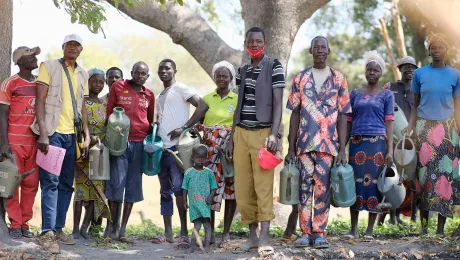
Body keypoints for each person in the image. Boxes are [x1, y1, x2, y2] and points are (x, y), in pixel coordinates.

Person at [224, 27, 285, 257]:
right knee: (243, 187)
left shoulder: (274, 66)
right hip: (241, 133)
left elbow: (278, 103)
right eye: (251, 41)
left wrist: (274, 133)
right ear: (245, 43)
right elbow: (239, 105)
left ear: (265, 43)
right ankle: (251, 236)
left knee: (263, 186)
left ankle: (265, 236)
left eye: (259, 41)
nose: (255, 44)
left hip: (263, 135)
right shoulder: (242, 70)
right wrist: (231, 138)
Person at [286, 36, 351, 248]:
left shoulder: (339, 79)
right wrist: (290, 147)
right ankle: (305, 233)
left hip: (328, 146)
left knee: (323, 189)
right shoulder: (300, 79)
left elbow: (343, 115)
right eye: (316, 47)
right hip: (304, 145)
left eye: (323, 47)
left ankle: (320, 233)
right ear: (311, 51)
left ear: (329, 50)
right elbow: (294, 113)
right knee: (304, 188)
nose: (320, 50)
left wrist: (342, 148)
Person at [32, 34, 91, 253]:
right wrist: (44, 133)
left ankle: (58, 229)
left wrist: (86, 134)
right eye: (70, 45)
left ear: (81, 49)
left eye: (77, 45)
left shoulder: (82, 74)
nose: (73, 48)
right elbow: (39, 100)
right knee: (50, 183)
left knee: (67, 184)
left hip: (72, 137)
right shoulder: (48, 66)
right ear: (63, 47)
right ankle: (46, 233)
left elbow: (82, 106)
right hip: (53, 133)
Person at [404, 34, 460, 235]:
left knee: (445, 178)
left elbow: (457, 105)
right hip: (424, 129)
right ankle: (424, 228)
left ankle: (440, 229)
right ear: (429, 51)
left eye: (440, 47)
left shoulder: (455, 74)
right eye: (433, 47)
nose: (436, 50)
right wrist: (411, 124)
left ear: (446, 50)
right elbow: (415, 104)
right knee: (424, 177)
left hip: (447, 129)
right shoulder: (420, 74)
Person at [151, 59, 208, 249]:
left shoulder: (181, 88)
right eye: (161, 69)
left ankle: (183, 233)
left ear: (175, 70)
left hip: (178, 149)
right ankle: (168, 233)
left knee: (179, 191)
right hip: (162, 149)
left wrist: (185, 127)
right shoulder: (160, 95)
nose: (164, 71)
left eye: (167, 68)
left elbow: (202, 106)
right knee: (164, 191)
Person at [346, 50, 394, 239]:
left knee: (375, 185)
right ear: (365, 72)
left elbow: (389, 122)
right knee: (355, 184)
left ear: (380, 73)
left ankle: (369, 230)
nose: (372, 72)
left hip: (377, 144)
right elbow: (348, 120)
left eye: (376, 70)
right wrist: (342, 147)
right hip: (356, 143)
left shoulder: (387, 95)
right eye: (369, 69)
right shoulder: (355, 93)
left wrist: (390, 149)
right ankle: (353, 228)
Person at [105, 61, 155, 243]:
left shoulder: (149, 94)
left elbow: (150, 121)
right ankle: (111, 227)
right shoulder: (118, 87)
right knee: (116, 184)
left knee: (133, 186)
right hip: (119, 143)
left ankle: (123, 230)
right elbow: (109, 113)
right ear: (131, 72)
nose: (140, 76)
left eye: (144, 74)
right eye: (137, 72)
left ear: (147, 77)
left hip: (139, 144)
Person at [0, 46, 41, 239]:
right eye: (29, 56)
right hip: (15, 141)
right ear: (19, 61)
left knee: (31, 184)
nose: (34, 58)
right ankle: (15, 224)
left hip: (36, 143)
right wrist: (4, 143)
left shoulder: (41, 83)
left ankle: (25, 223)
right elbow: (2, 114)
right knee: (12, 184)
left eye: (34, 55)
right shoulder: (10, 83)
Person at [198, 60, 238, 247]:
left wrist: (229, 141)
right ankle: (210, 231)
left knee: (231, 189)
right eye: (218, 75)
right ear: (214, 77)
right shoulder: (206, 98)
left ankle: (227, 232)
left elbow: (239, 124)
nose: (221, 78)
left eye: (225, 76)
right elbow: (198, 121)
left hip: (230, 150)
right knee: (209, 189)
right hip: (210, 152)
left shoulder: (237, 99)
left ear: (231, 78)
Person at [378, 56, 418, 225]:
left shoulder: (419, 89)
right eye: (405, 67)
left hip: (413, 141)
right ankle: (392, 217)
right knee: (394, 178)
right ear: (400, 69)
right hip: (393, 140)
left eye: (412, 67)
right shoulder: (390, 87)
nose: (409, 70)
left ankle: (413, 218)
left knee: (413, 179)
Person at [72, 68, 110, 240]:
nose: (98, 85)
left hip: (100, 151)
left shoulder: (105, 104)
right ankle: (74, 229)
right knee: (80, 191)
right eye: (94, 81)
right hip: (83, 150)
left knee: (96, 190)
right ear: (87, 82)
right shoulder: (82, 102)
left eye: (101, 82)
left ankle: (84, 229)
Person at [182, 144, 218, 253]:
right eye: (198, 157)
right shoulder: (189, 173)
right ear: (193, 158)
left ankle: (207, 245)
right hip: (194, 204)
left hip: (205, 203)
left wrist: (211, 196)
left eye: (203, 158)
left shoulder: (209, 173)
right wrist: (184, 201)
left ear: (206, 158)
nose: (200, 160)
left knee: (207, 225)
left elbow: (214, 187)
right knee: (196, 225)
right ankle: (193, 245)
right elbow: (184, 188)